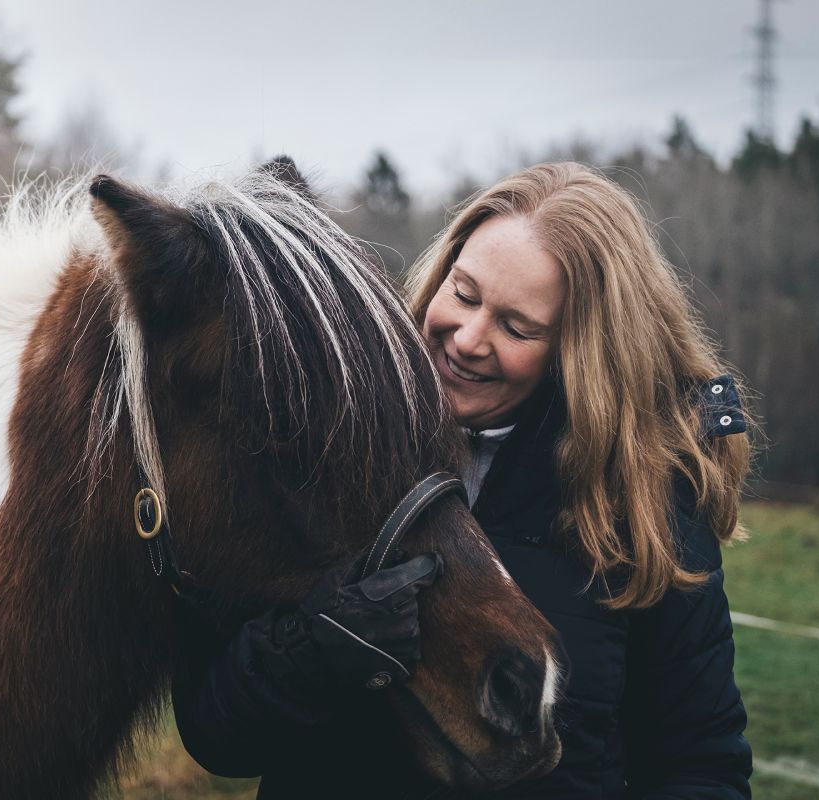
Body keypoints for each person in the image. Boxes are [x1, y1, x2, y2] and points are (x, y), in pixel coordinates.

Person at [172, 162, 753, 799]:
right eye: (465, 293)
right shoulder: (318, 441)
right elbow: (215, 734)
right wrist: (313, 649)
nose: (467, 338)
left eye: (516, 327)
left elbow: (699, 762)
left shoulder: (643, 499)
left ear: (579, 354)